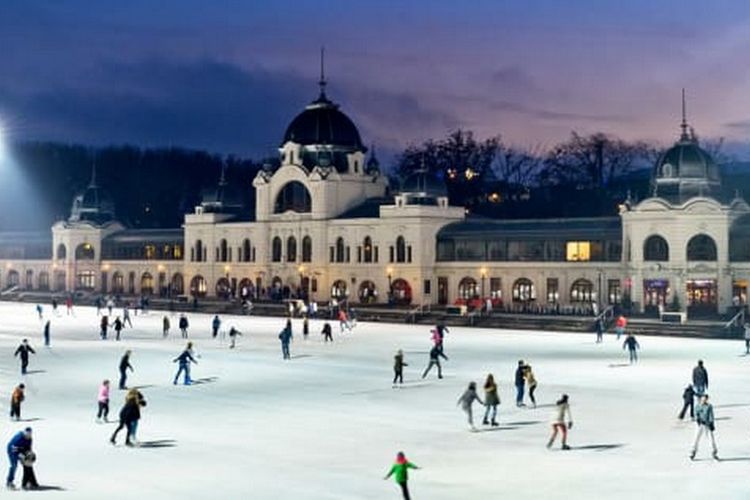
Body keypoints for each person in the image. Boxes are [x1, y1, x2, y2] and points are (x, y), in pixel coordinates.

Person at [691, 394, 718, 460]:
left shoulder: (709, 406)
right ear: (701, 399)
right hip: (700, 424)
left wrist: (711, 424)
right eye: (703, 399)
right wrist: (697, 419)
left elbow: (711, 415)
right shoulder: (698, 406)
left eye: (705, 399)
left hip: (707, 424)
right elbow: (696, 413)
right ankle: (693, 451)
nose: (704, 400)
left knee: (711, 438)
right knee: (696, 437)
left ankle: (714, 451)